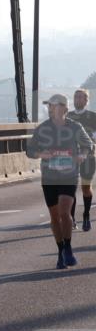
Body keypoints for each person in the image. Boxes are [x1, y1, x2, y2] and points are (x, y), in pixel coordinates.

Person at [26, 93, 95, 269]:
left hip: (69, 176)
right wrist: (41, 154)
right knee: (55, 217)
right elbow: (30, 150)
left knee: (65, 213)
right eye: (49, 106)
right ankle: (60, 250)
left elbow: (89, 145)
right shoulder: (42, 129)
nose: (50, 109)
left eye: (54, 105)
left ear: (64, 108)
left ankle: (69, 248)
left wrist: (82, 154)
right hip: (49, 177)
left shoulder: (75, 127)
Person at [67, 88, 96, 232]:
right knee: (70, 189)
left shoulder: (93, 116)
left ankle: (86, 214)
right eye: (76, 97)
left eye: (81, 97)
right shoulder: (68, 116)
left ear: (86, 100)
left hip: (89, 157)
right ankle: (71, 219)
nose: (78, 99)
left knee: (85, 188)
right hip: (70, 157)